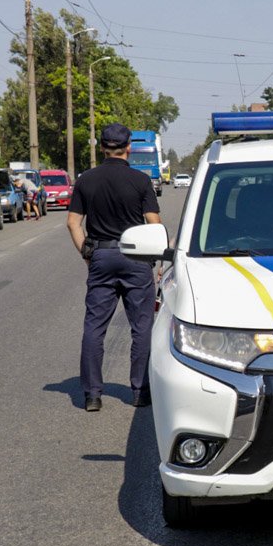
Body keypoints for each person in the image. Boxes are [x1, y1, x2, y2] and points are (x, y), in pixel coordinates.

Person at [66, 123, 162, 411]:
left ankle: (93, 395)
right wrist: (156, 260)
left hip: (101, 256)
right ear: (128, 146)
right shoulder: (140, 180)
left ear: (102, 147)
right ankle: (139, 391)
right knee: (142, 327)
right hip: (136, 259)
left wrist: (87, 254)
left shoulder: (86, 180)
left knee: (94, 327)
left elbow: (73, 222)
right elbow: (154, 224)